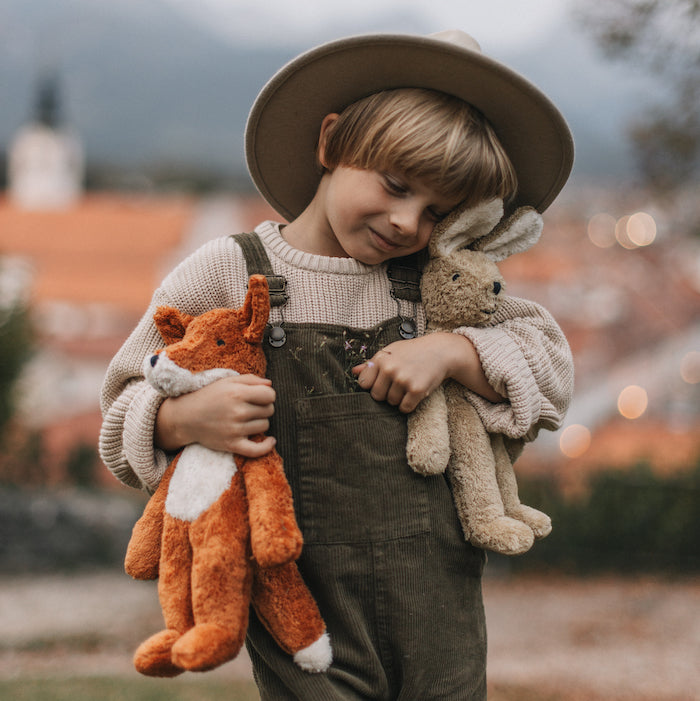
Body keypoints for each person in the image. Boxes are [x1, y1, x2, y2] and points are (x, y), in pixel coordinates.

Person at [100, 30, 575, 700]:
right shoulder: (229, 271)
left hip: (440, 605)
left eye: (437, 211)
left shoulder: (432, 289)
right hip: (305, 615)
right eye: (396, 184)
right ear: (331, 144)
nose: (408, 222)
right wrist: (181, 416)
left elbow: (553, 367)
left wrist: (453, 350)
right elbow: (120, 408)